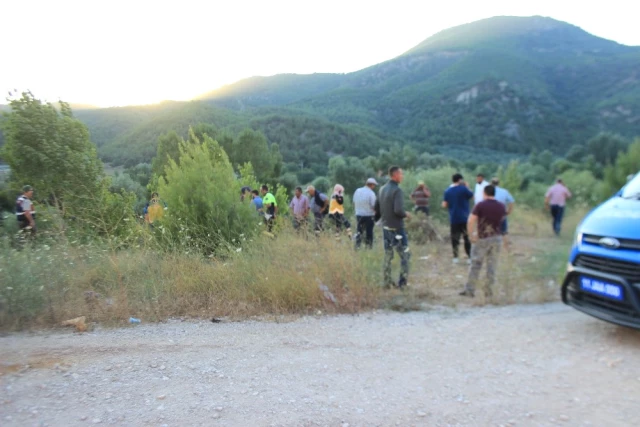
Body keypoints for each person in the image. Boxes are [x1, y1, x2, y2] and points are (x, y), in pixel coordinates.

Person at [460, 185, 507, 298]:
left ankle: (470, 290)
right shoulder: (501, 206)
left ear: (484, 193)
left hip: (483, 237)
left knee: (476, 264)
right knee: (492, 265)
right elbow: (503, 221)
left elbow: (471, 220)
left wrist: (471, 235)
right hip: (497, 237)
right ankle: (489, 291)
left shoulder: (481, 205)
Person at [376, 166, 411, 288]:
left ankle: (386, 282)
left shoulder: (382, 189)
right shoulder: (397, 190)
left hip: (386, 227)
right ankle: (402, 284)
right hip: (397, 228)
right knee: (405, 255)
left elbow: (377, 210)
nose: (402, 176)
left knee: (388, 255)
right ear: (395, 175)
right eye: (401, 174)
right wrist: (406, 214)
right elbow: (399, 210)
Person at [443, 173, 474, 264]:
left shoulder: (447, 191)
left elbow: (444, 204)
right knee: (467, 238)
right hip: (464, 218)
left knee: (455, 238)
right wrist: (467, 186)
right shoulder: (464, 189)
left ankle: (455, 257)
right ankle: (469, 257)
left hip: (454, 218)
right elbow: (472, 196)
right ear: (460, 180)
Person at [353, 178, 378, 249]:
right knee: (369, 233)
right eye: (374, 185)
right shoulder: (371, 193)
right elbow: (374, 206)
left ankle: (357, 247)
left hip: (359, 215)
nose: (374, 187)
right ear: (372, 185)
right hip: (369, 216)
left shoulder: (357, 191)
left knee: (359, 232)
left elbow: (354, 202)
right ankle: (368, 248)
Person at [491, 178, 515, 249]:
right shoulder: (504, 191)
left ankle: (493, 247)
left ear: (491, 183)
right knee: (504, 231)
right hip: (502, 212)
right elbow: (511, 201)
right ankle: (506, 248)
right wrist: (509, 211)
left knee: (491, 230)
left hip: (491, 212)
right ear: (499, 183)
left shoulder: (489, 191)